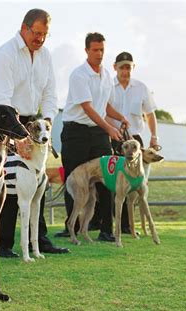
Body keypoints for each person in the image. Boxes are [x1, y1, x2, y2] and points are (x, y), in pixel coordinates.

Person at [0, 8, 69, 258]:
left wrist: (47, 122)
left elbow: (51, 94)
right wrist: (16, 136)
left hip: (34, 122)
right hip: (5, 120)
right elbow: (1, 99)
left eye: (45, 34)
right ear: (24, 27)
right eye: (37, 33)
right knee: (8, 183)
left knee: (37, 179)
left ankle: (39, 240)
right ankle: (2, 244)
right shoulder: (5, 54)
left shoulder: (46, 57)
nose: (40, 39)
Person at [54, 32, 130, 242]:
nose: (99, 54)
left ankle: (107, 230)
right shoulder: (78, 75)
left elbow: (104, 105)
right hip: (75, 132)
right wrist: (109, 128)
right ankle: (73, 228)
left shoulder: (106, 75)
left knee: (108, 180)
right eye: (95, 50)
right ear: (86, 50)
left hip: (97, 134)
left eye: (102, 50)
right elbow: (87, 107)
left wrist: (120, 117)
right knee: (74, 179)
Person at [108, 51, 158, 233]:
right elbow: (102, 110)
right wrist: (111, 129)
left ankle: (129, 226)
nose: (125, 71)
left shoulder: (141, 87)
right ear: (115, 67)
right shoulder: (108, 85)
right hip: (114, 137)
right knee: (113, 183)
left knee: (135, 183)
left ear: (133, 67)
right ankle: (107, 224)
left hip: (135, 140)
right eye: (122, 67)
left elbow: (150, 114)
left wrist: (154, 137)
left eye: (128, 67)